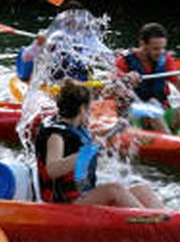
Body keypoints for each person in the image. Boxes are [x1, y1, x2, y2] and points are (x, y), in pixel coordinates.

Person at [35, 80, 163, 208]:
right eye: (89, 108)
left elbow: (85, 138)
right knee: (113, 189)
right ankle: (148, 219)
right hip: (64, 202)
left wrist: (114, 128)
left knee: (142, 189)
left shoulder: (74, 126)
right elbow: (52, 169)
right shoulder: (55, 136)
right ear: (82, 109)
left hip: (82, 195)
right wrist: (87, 151)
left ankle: (163, 218)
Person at [115, 23, 180, 139]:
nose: (160, 52)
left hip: (161, 114)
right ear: (143, 44)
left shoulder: (165, 59)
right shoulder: (123, 61)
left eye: (162, 48)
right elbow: (111, 92)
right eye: (155, 49)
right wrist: (125, 80)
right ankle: (172, 142)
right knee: (152, 104)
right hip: (135, 118)